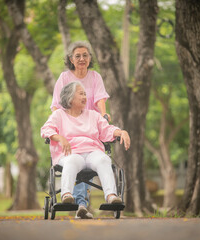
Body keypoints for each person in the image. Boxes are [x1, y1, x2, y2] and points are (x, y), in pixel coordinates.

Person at [41, 82, 130, 216]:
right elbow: (45, 129)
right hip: (70, 153)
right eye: (81, 94)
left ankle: (111, 196)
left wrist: (121, 132)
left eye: (85, 94)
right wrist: (60, 138)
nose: (85, 97)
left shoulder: (93, 115)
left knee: (103, 159)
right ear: (70, 97)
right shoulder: (59, 115)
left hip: (92, 152)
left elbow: (107, 130)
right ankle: (66, 195)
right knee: (72, 161)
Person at [50, 41, 111, 219]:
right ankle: (82, 203)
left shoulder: (95, 77)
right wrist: (61, 124)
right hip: (71, 127)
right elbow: (56, 105)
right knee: (78, 158)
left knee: (88, 158)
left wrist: (104, 115)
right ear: (71, 59)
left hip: (91, 126)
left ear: (90, 58)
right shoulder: (64, 78)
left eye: (85, 55)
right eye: (77, 56)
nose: (82, 59)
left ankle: (81, 204)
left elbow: (100, 99)